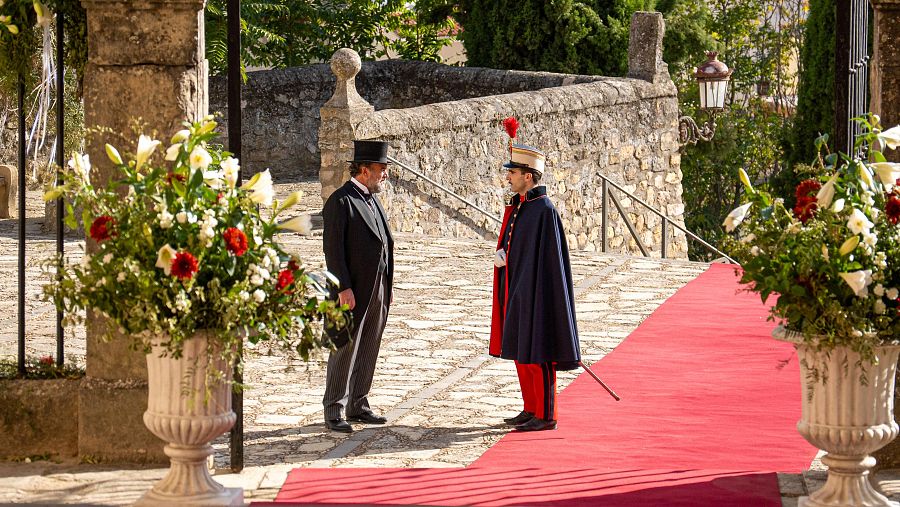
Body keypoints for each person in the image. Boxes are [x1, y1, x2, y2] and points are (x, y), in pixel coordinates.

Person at [490, 143, 581, 432]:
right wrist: (505, 254)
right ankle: (530, 407)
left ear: (528, 176)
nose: (509, 177)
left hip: (538, 293)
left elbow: (550, 261)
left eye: (513, 172)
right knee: (521, 350)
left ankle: (546, 414)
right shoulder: (521, 206)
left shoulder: (544, 210)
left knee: (538, 351)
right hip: (517, 289)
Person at [321, 139, 395, 433]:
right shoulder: (340, 201)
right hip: (350, 290)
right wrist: (343, 288)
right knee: (344, 345)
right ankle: (334, 408)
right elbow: (333, 251)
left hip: (378, 285)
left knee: (369, 344)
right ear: (364, 169)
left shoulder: (373, 199)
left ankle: (358, 403)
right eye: (381, 169)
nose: (385, 174)